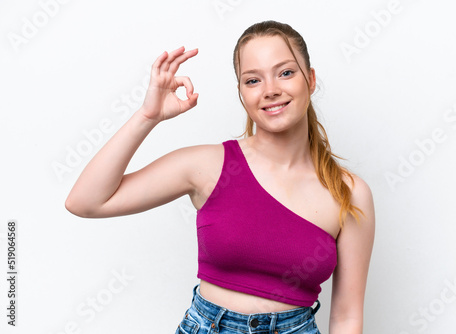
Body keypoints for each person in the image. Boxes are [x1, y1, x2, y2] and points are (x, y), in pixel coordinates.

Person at [65, 20, 375, 334]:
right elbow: (86, 201)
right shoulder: (208, 166)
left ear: (309, 79)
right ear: (241, 92)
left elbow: (347, 318)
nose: (270, 90)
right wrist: (148, 116)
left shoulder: (349, 193)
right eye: (252, 80)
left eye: (285, 72)